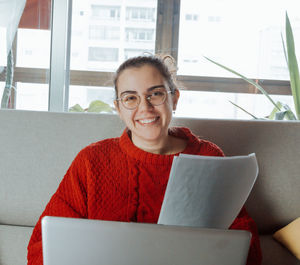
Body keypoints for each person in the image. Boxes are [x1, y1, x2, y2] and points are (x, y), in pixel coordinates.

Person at [27, 55, 262, 265]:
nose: (145, 108)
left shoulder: (209, 157)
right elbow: (42, 245)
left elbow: (243, 242)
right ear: (119, 108)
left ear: (175, 98)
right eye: (131, 98)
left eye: (155, 94)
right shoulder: (92, 160)